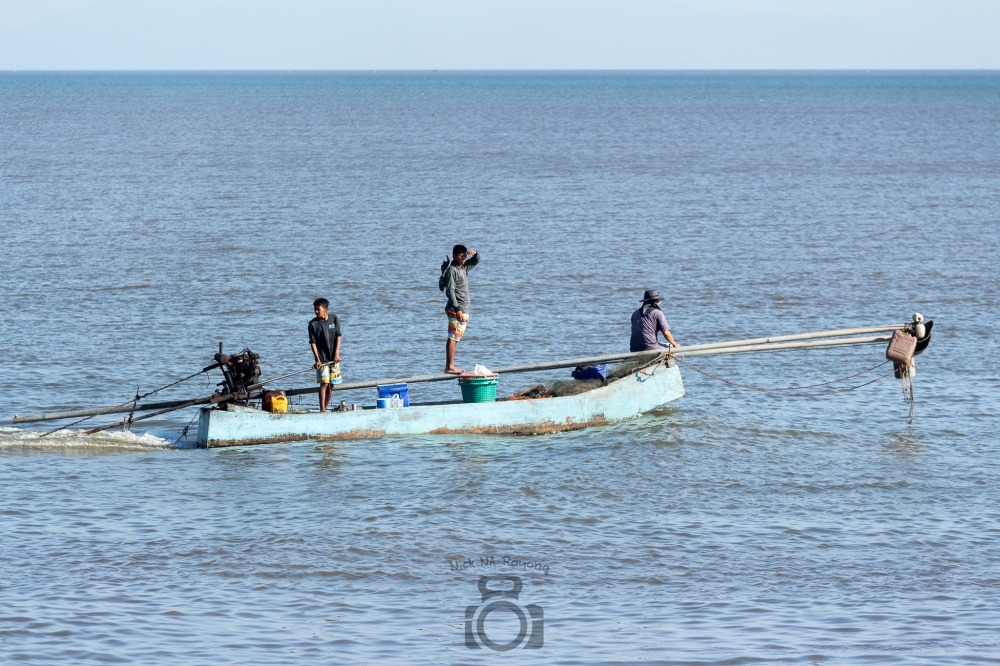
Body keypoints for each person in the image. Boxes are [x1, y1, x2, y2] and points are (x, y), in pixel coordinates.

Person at [441, 244, 480, 374]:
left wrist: (474, 253)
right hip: (455, 309)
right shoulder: (452, 270)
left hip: (462, 309)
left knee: (456, 337)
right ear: (454, 256)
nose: (463, 258)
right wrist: (457, 309)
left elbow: (476, 261)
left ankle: (451, 365)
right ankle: (449, 367)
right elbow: (450, 291)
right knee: (452, 337)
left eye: (464, 255)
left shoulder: (464, 267)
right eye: (460, 255)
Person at [308, 297, 342, 412]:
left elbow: (338, 336)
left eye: (318, 309)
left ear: (325, 309)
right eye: (315, 309)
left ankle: (325, 408)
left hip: (334, 358)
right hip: (322, 359)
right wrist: (317, 359)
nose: (316, 311)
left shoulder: (334, 319)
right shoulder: (313, 324)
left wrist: (337, 353)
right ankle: (322, 410)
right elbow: (313, 343)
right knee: (324, 383)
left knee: (332, 384)